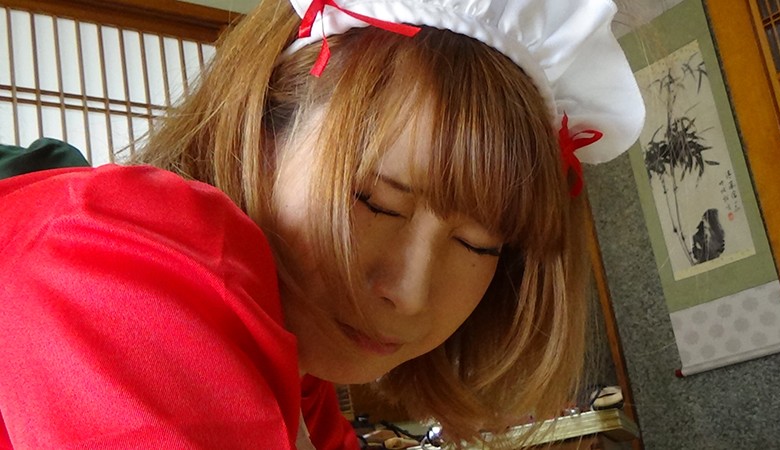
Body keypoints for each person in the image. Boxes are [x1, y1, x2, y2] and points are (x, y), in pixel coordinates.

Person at [0, 0, 644, 448]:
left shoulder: (296, 364)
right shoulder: (114, 258)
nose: (410, 292)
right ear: (260, 128)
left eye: (478, 243)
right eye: (377, 203)